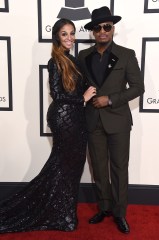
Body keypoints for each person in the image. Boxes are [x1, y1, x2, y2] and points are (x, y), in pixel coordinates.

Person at [0, 18, 96, 233]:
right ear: (57, 37)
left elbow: (82, 86)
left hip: (76, 118)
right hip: (64, 119)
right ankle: (63, 215)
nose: (70, 37)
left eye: (72, 33)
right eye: (64, 34)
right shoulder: (55, 62)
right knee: (63, 166)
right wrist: (82, 98)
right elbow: (58, 95)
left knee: (70, 168)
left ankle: (63, 212)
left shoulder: (73, 61)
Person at [78, 6, 145, 234]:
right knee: (98, 168)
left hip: (118, 121)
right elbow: (77, 87)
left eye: (107, 27)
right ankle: (104, 207)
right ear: (93, 32)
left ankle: (119, 213)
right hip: (92, 121)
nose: (103, 31)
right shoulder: (83, 56)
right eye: (98, 27)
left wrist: (110, 100)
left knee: (118, 169)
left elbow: (138, 87)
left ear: (113, 28)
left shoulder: (126, 55)